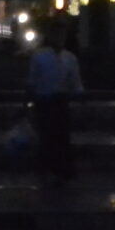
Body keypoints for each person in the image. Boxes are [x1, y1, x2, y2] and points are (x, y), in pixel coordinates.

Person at [28, 21, 84, 184]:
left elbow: (75, 81)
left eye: (62, 35)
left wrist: (79, 98)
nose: (60, 38)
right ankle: (48, 168)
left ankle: (60, 169)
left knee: (61, 136)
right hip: (44, 101)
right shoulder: (39, 56)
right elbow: (32, 81)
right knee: (47, 136)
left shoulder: (69, 58)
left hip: (60, 101)